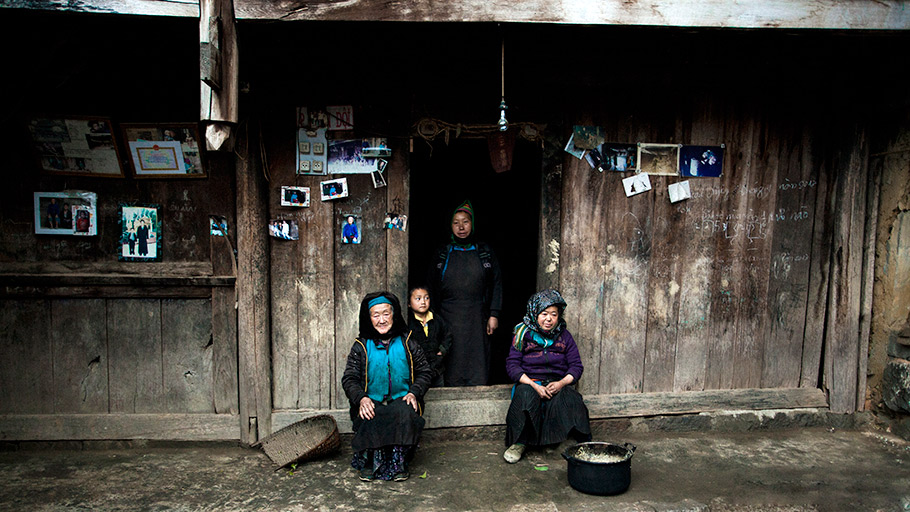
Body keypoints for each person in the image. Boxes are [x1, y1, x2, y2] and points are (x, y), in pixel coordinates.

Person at [342, 291, 433, 482]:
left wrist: (414, 392)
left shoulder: (408, 342)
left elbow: (425, 372)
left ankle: (398, 464)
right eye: (376, 315)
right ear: (369, 319)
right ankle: (370, 463)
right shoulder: (361, 345)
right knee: (370, 413)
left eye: (386, 314)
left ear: (394, 315)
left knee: (404, 411)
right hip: (373, 401)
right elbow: (349, 378)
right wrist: (361, 398)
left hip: (400, 399)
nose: (381, 320)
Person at [502, 289, 591, 464]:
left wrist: (561, 383)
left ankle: (558, 440)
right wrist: (534, 385)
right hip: (530, 382)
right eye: (544, 314)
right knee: (525, 396)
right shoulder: (522, 335)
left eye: (553, 314)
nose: (548, 319)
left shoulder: (564, 336)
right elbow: (512, 366)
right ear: (535, 313)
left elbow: (576, 366)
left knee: (571, 398)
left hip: (555, 382)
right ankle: (520, 442)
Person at [427, 200, 502, 386]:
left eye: (465, 222)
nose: (461, 227)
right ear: (450, 225)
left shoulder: (484, 252)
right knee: (451, 356)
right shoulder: (443, 253)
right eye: (456, 222)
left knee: (478, 358)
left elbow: (497, 283)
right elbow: (430, 286)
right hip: (447, 316)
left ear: (473, 223)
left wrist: (494, 314)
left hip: (478, 316)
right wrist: (433, 319)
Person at [407, 286, 453, 387]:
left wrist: (442, 351)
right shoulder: (408, 322)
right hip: (417, 370)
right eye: (418, 299)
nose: (423, 302)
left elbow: (447, 335)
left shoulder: (436, 319)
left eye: (426, 298)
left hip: (437, 367)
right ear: (409, 303)